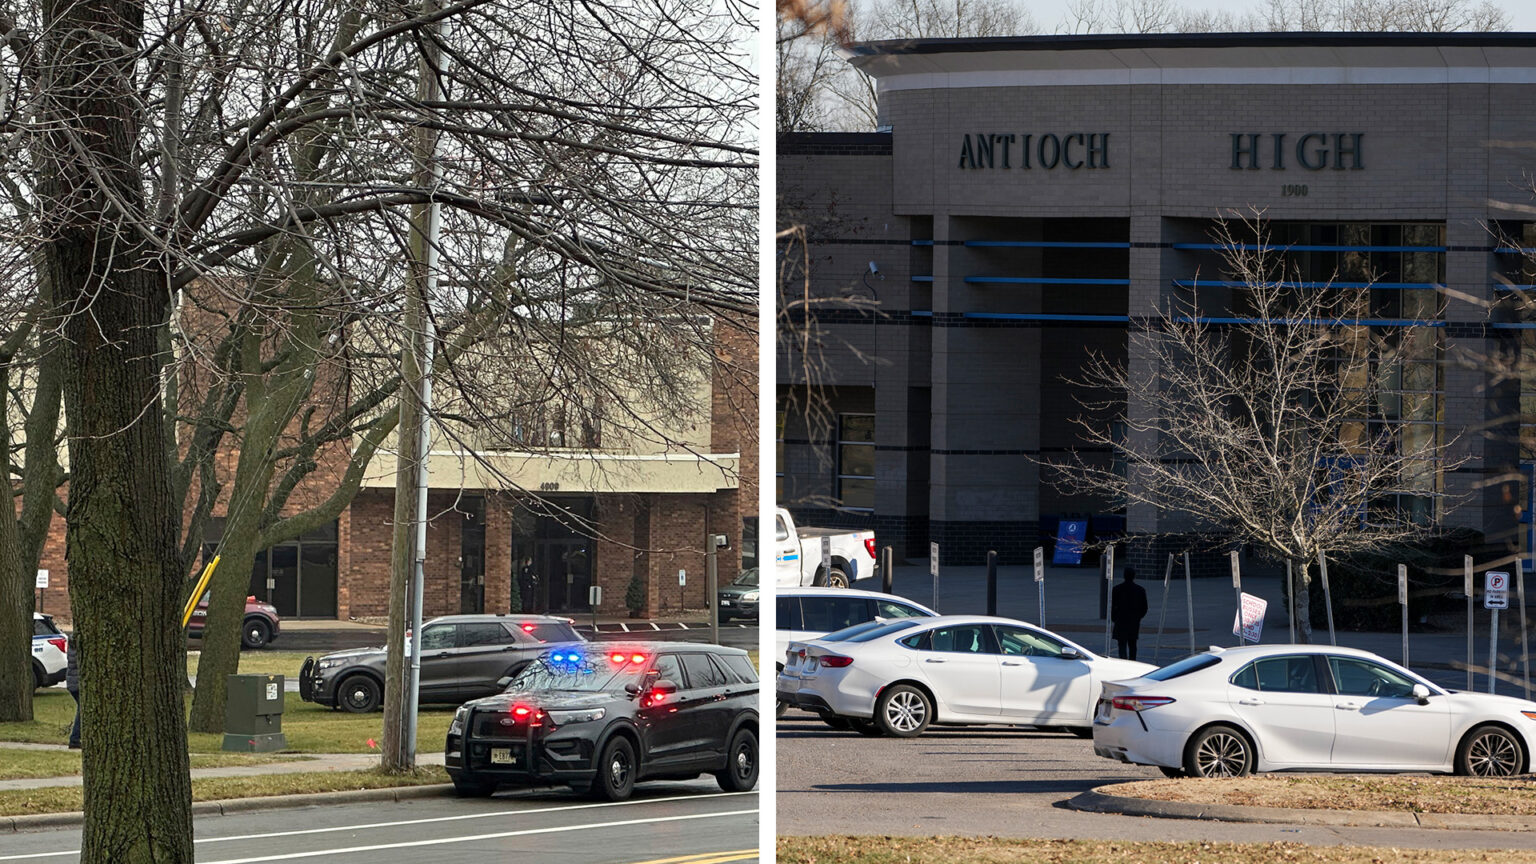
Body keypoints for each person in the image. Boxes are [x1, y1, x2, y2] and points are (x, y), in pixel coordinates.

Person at [1110, 567, 1149, 661]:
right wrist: (1138, 617)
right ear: (1134, 576)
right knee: (1133, 643)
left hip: (1121, 619)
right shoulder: (1140, 590)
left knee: (1121, 644)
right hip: (1133, 620)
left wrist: (1114, 617)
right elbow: (1144, 607)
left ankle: (1123, 660)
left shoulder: (1116, 589)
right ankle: (1132, 661)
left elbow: (1112, 605)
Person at [65, 630, 81, 749]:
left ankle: (76, 738)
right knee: (81, 712)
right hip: (77, 683)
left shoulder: (71, 646)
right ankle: (74, 739)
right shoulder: (76, 650)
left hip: (72, 683)